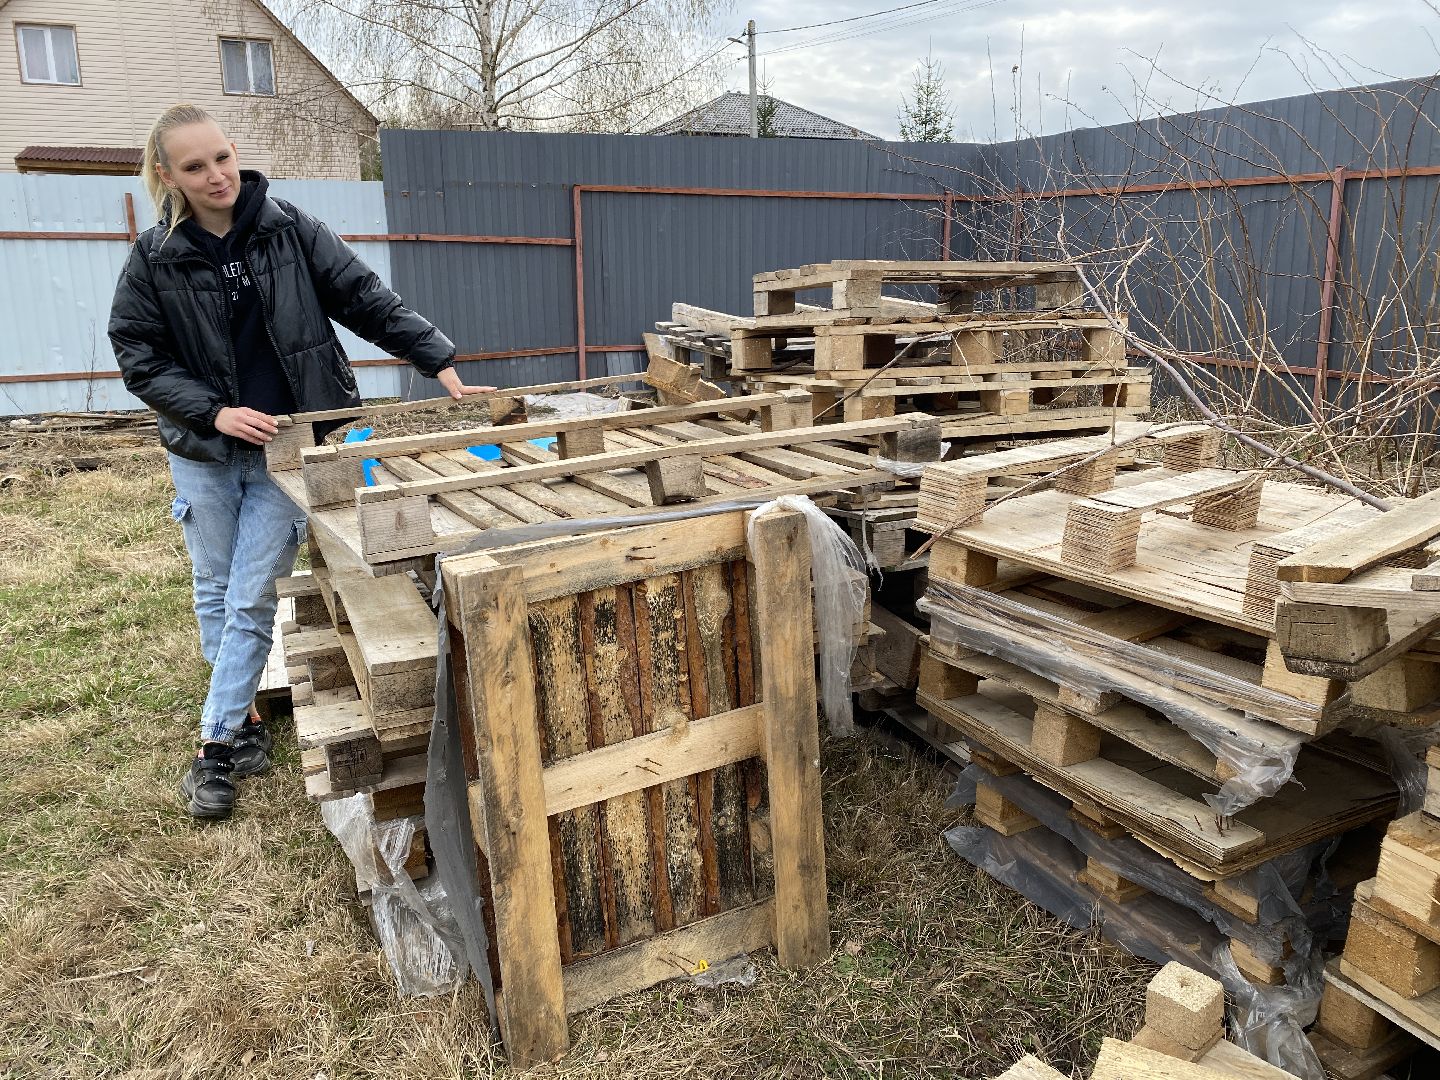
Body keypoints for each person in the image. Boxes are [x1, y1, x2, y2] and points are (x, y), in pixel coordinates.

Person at [109, 103, 492, 821]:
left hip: (292, 447)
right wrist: (213, 411)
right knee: (215, 587)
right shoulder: (154, 257)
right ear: (168, 175)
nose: (217, 175)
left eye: (222, 157)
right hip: (203, 451)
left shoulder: (289, 227)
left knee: (252, 594)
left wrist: (436, 358)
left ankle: (214, 746)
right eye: (195, 166)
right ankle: (248, 716)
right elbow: (138, 355)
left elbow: (364, 298)